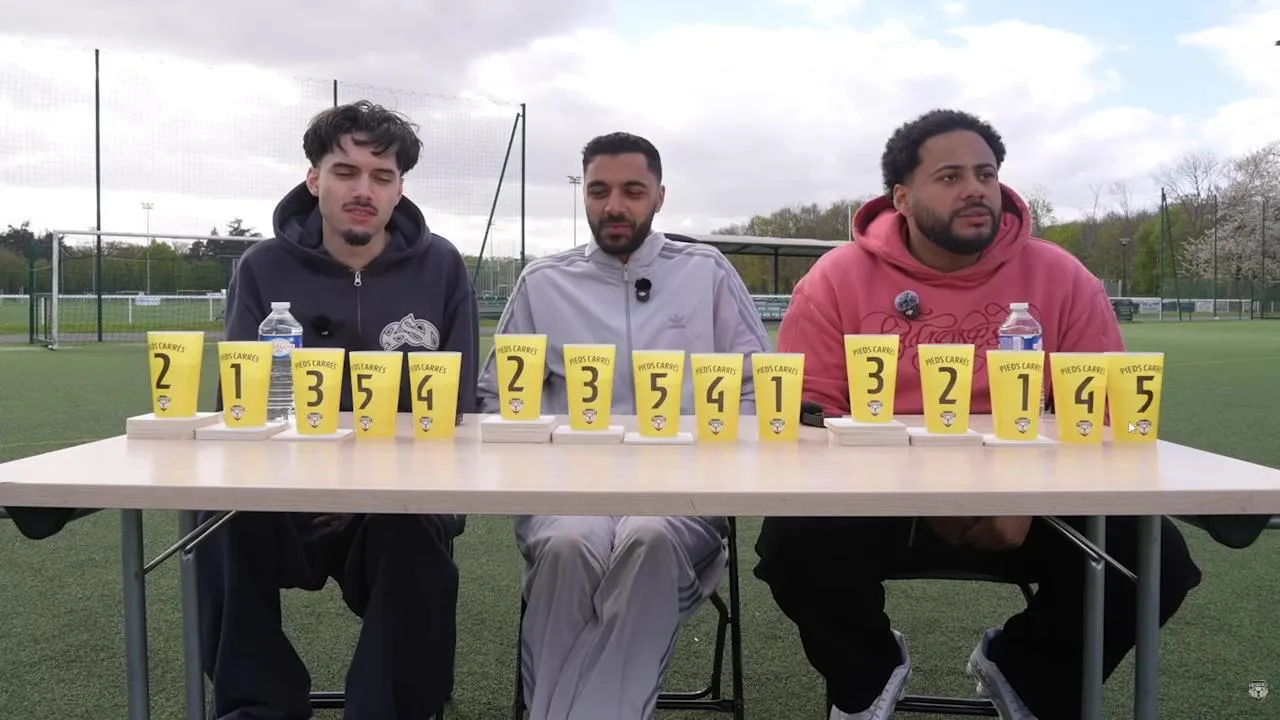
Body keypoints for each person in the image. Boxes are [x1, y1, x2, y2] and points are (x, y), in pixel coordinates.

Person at [753, 109, 1203, 720]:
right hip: (877, 499)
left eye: (985, 174)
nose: (975, 189)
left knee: (1155, 559)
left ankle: (1024, 670)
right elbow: (812, 413)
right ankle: (865, 679)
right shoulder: (836, 278)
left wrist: (1022, 494)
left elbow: (1101, 409)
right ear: (901, 197)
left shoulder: (1061, 276)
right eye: (950, 177)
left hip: (1027, 504)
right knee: (791, 542)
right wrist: (927, 491)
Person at [197, 100, 478, 720]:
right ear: (313, 178)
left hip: (394, 499)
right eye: (346, 172)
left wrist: (370, 489)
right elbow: (239, 405)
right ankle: (258, 707)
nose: (363, 190)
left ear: (400, 188)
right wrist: (309, 483)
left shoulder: (441, 267)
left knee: (415, 529)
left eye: (382, 176)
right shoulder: (262, 267)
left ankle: (390, 708)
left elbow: (454, 411)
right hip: (283, 499)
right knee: (218, 514)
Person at [477, 131, 771, 720]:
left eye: (633, 191)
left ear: (659, 196)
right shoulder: (543, 282)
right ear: (584, 195)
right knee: (568, 543)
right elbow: (496, 399)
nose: (614, 205)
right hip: (567, 493)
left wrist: (713, 459)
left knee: (649, 537)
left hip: (683, 496)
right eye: (599, 191)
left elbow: (757, 388)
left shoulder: (706, 272)